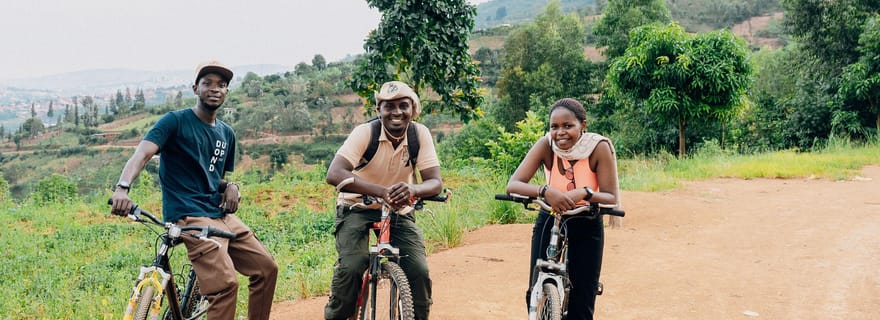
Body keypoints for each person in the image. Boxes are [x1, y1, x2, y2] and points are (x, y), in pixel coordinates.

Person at [109, 61, 278, 320]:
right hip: (189, 215)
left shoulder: (226, 134)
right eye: (207, 83)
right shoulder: (175, 122)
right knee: (225, 286)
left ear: (227, 92)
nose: (215, 89)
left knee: (267, 268)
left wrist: (231, 186)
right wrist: (122, 188)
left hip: (220, 215)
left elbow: (212, 179)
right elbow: (142, 153)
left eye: (221, 85)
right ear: (195, 88)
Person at [324, 81, 443, 320]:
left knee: (418, 270)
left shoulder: (419, 134)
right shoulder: (365, 133)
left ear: (414, 109)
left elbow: (435, 182)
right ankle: (336, 315)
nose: (396, 112)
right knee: (352, 267)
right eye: (389, 106)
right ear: (379, 110)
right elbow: (334, 173)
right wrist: (382, 191)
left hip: (398, 211)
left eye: (403, 105)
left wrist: (412, 188)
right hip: (356, 206)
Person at [506, 98, 620, 320]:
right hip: (551, 215)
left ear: (583, 126)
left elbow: (611, 196)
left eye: (568, 126)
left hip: (586, 219)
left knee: (583, 298)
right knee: (535, 289)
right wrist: (545, 190)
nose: (560, 132)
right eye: (554, 126)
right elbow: (513, 184)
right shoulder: (546, 145)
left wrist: (584, 193)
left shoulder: (598, 147)